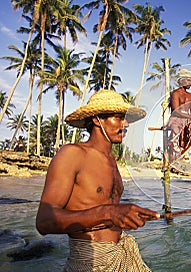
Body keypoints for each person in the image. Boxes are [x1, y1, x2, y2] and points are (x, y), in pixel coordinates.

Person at [36, 90, 160, 272]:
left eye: (125, 118)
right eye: (118, 117)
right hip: (90, 261)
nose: (125, 124)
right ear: (97, 119)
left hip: (122, 255)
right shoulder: (73, 154)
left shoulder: (112, 161)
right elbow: (44, 221)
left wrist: (128, 216)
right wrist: (108, 212)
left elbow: (105, 208)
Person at [167, 68, 191, 161]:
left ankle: (185, 149)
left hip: (187, 119)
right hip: (176, 119)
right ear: (181, 80)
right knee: (175, 129)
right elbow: (175, 111)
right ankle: (175, 150)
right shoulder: (175, 93)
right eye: (188, 80)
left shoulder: (190, 95)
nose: (190, 83)